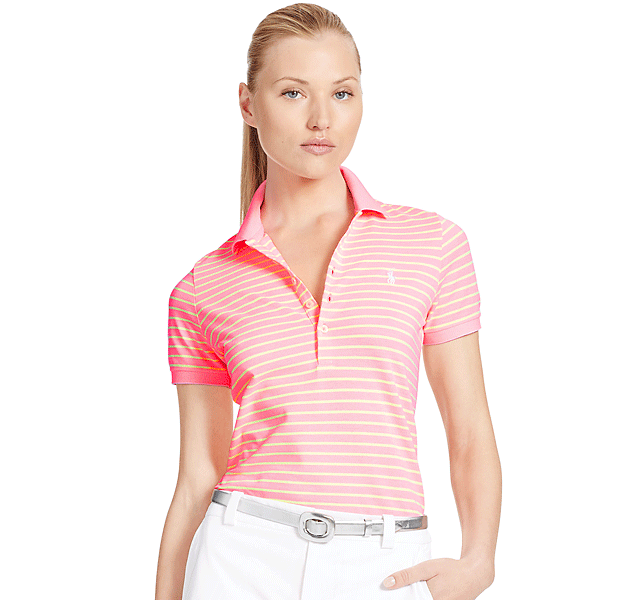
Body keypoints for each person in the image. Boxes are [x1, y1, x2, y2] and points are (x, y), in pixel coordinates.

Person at [155, 3, 501, 600]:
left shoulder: (433, 245)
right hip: (240, 559)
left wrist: (480, 560)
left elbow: (468, 429)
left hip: (385, 565)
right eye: (293, 93)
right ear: (248, 104)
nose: (321, 119)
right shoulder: (203, 287)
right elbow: (197, 476)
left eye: (342, 94)